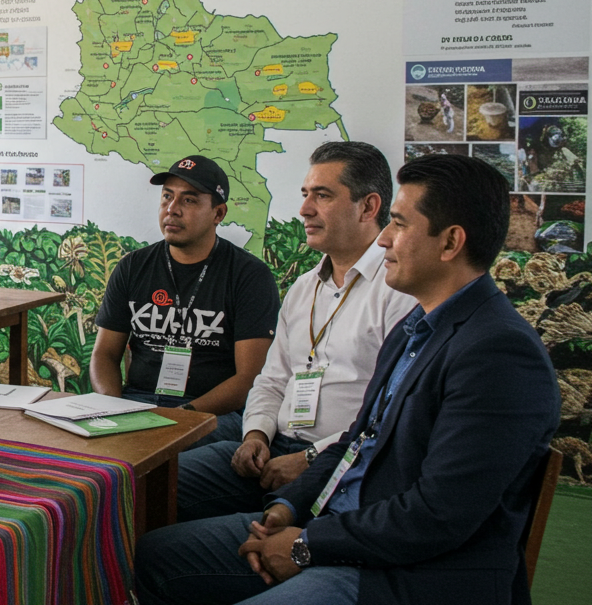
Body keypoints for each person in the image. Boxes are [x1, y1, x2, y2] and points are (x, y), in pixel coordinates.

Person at [135, 154, 560, 605]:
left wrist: (306, 544)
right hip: (334, 522)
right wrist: (289, 507)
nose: (385, 241)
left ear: (451, 242)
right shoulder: (418, 326)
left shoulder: (499, 353)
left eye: (398, 224)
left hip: (400, 572)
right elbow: (359, 438)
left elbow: (437, 515)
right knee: (155, 555)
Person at [176, 143, 418, 521]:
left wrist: (309, 459)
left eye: (323, 196)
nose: (305, 208)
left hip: (339, 464)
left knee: (165, 548)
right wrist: (255, 434)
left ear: (369, 207)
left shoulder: (398, 292)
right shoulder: (304, 287)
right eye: (306, 194)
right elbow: (272, 380)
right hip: (271, 447)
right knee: (144, 483)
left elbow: (389, 417)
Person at [90, 155, 279, 445]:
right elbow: (104, 355)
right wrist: (112, 409)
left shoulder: (249, 275)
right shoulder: (132, 267)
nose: (172, 209)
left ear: (218, 214)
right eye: (167, 196)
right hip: (136, 403)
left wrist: (183, 416)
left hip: (212, 412)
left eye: (189, 200)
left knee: (157, 462)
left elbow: (249, 378)